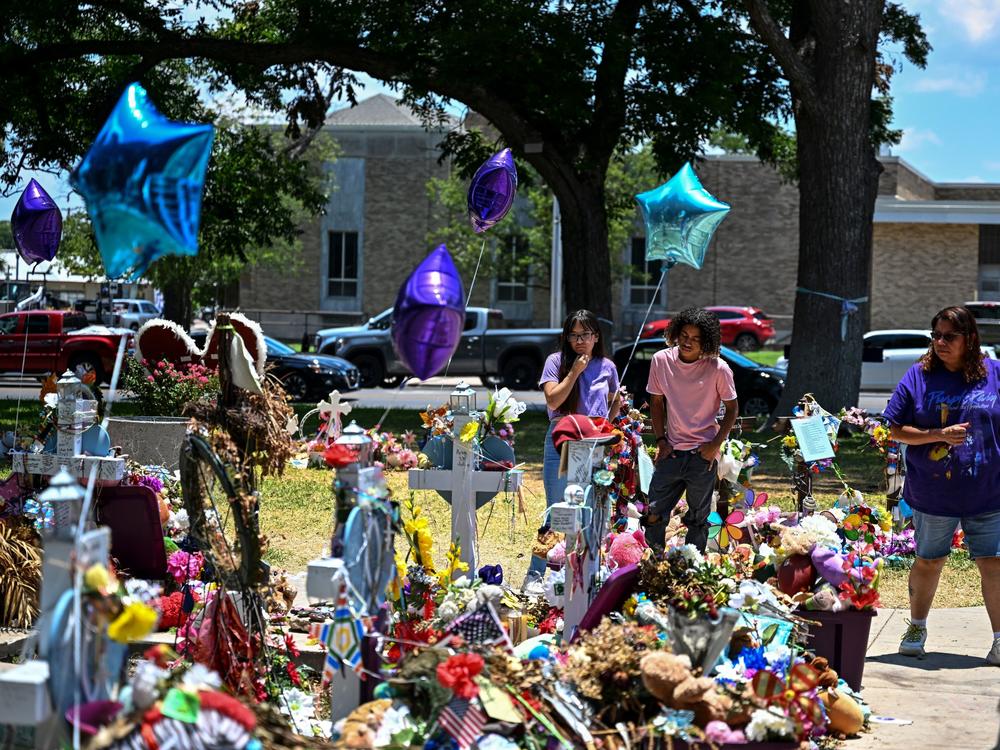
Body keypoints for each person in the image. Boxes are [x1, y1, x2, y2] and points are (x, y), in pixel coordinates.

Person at [884, 306, 1000, 664]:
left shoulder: (994, 373)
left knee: (993, 563)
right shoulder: (919, 376)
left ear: (970, 339)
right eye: (936, 335)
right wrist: (937, 435)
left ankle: (999, 639)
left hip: (989, 491)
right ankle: (917, 626)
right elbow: (892, 427)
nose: (940, 343)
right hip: (934, 493)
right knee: (929, 561)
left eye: (950, 336)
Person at [526, 310, 621, 580]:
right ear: (566, 337)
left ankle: (588, 572)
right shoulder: (556, 361)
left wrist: (607, 424)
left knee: (593, 505)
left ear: (596, 337)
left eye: (585, 335)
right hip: (562, 438)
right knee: (556, 507)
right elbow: (553, 401)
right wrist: (575, 372)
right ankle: (538, 573)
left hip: (594, 442)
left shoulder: (607, 366)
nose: (580, 341)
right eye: (574, 335)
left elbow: (615, 399)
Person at [645, 307, 738, 552]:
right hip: (672, 451)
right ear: (676, 333)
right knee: (653, 510)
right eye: (684, 335)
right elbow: (656, 402)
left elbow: (732, 409)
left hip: (702, 454)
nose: (688, 342)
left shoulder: (719, 368)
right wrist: (661, 440)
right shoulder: (661, 360)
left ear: (706, 342)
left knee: (698, 518)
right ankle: (653, 561)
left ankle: (691, 565)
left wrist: (714, 445)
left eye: (696, 339)